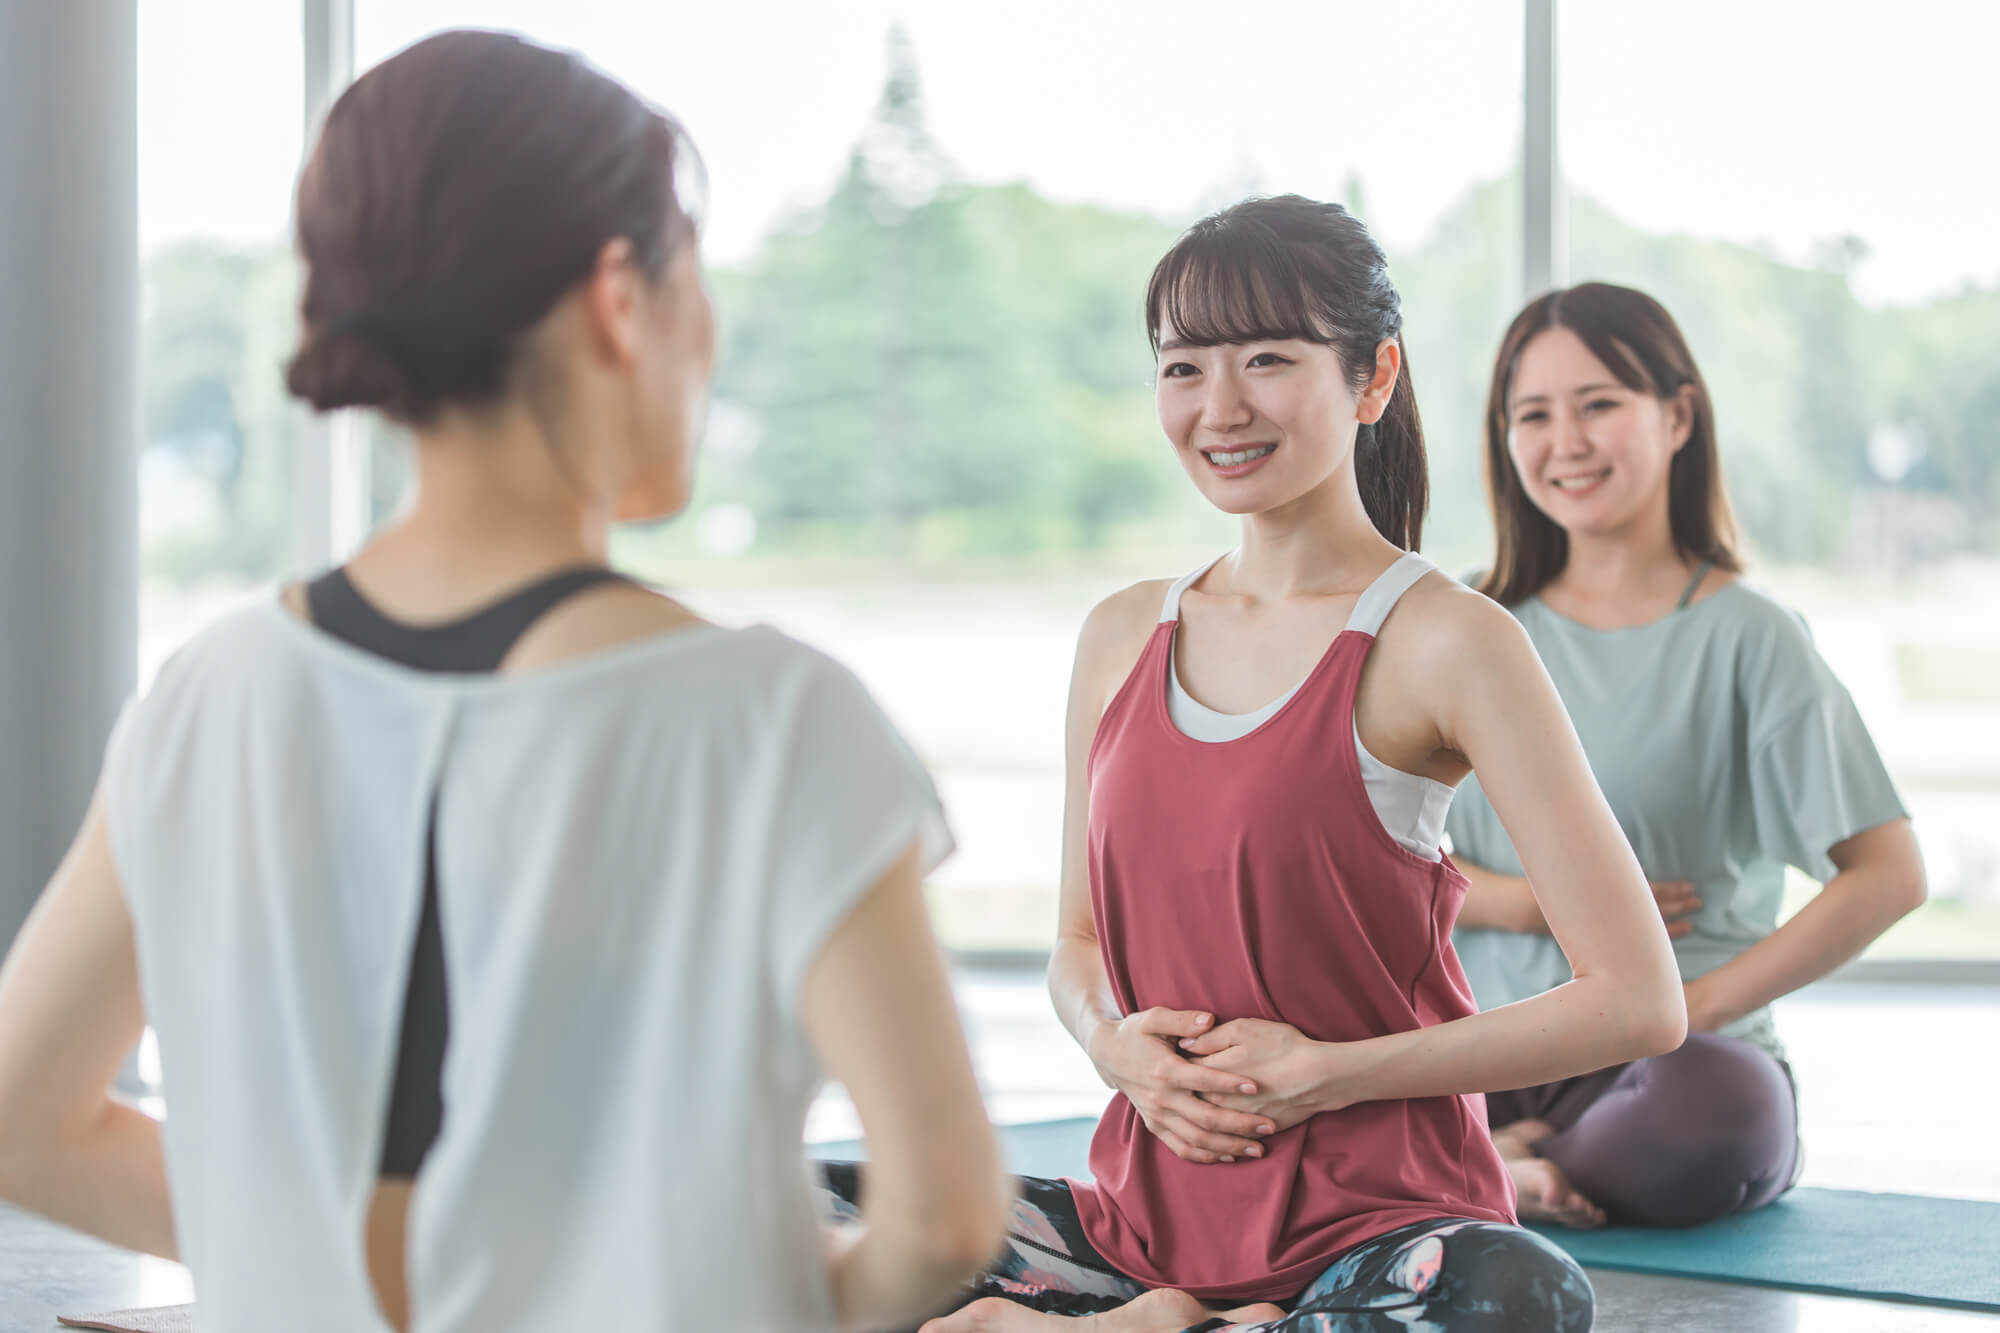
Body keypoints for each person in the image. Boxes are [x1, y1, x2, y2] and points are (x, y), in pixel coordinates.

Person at [0, 29, 1010, 1333]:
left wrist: (315, 1235)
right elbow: (945, 1216)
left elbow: (21, 1118)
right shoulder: (770, 719)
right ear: (618, 297)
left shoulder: (207, 695)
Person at [820, 196, 1687, 1333]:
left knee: (1515, 1299)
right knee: (762, 1205)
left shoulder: (1447, 640)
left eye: (1267, 359)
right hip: (1134, 1233)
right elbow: (1077, 947)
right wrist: (1111, 1046)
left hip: (1374, 1239)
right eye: (1182, 367)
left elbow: (1636, 1000)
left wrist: (1323, 1072)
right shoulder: (1123, 632)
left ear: (1372, 379)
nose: (1218, 407)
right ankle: (1181, 1321)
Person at [1448, 281, 1926, 1230]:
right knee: (1304, 1094)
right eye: (1532, 414)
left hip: (1663, 1070)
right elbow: (1368, 848)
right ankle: (1496, 1163)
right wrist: (1523, 901)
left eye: (1598, 405)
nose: (1566, 442)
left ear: (1676, 416)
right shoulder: (1461, 626)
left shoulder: (1752, 635)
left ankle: (1475, 1174)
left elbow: (1890, 872)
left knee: (1723, 1118)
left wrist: (1690, 1005)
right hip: (1476, 1050)